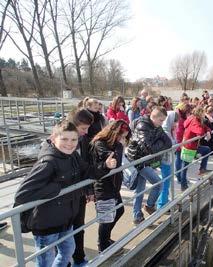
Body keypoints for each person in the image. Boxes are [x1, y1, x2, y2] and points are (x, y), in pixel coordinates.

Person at [13, 120, 117, 267]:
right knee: (45, 262)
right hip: (46, 223)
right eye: (64, 139)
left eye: (74, 139)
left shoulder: (73, 156)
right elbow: (22, 194)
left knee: (68, 251)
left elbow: (87, 171)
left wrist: (105, 166)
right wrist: (57, 188)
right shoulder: (48, 162)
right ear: (54, 138)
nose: (70, 143)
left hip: (66, 219)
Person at [127, 107, 172, 225]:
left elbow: (169, 142)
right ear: (154, 117)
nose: (162, 123)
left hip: (147, 160)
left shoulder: (157, 127)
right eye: (161, 120)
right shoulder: (143, 126)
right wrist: (159, 144)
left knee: (140, 189)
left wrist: (158, 144)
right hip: (139, 160)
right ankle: (149, 206)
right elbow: (149, 148)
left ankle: (137, 215)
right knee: (158, 184)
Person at [91, 120, 131, 252]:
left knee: (119, 211)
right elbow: (115, 162)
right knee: (106, 218)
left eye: (125, 136)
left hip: (113, 185)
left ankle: (105, 238)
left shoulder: (115, 143)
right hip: (103, 186)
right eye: (121, 136)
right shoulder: (100, 143)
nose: (122, 139)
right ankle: (102, 245)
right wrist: (120, 146)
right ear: (114, 133)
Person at [67, 108, 94, 267]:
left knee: (79, 227)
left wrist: (89, 189)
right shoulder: (60, 140)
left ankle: (79, 257)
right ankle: (65, 262)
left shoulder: (83, 140)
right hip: (63, 196)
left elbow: (86, 165)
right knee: (63, 232)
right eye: (84, 128)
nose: (86, 132)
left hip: (79, 193)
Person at [181, 107, 211, 191]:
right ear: (200, 113)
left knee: (207, 149)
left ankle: (202, 169)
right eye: (203, 114)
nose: (204, 116)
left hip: (193, 145)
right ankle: (183, 185)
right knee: (184, 166)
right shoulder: (194, 120)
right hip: (189, 146)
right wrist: (205, 131)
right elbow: (199, 131)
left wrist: (208, 131)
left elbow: (205, 127)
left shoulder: (194, 118)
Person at [157, 111, 179, 209]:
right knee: (166, 182)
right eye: (175, 122)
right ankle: (162, 205)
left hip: (169, 159)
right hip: (165, 160)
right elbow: (171, 145)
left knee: (167, 182)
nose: (176, 124)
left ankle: (164, 200)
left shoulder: (170, 130)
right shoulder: (165, 132)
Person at [175, 103, 192, 184]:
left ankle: (179, 176)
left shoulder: (180, 116)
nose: (189, 113)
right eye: (188, 112)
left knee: (179, 159)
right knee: (180, 159)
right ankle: (179, 177)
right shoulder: (180, 119)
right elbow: (179, 132)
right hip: (180, 141)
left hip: (181, 141)